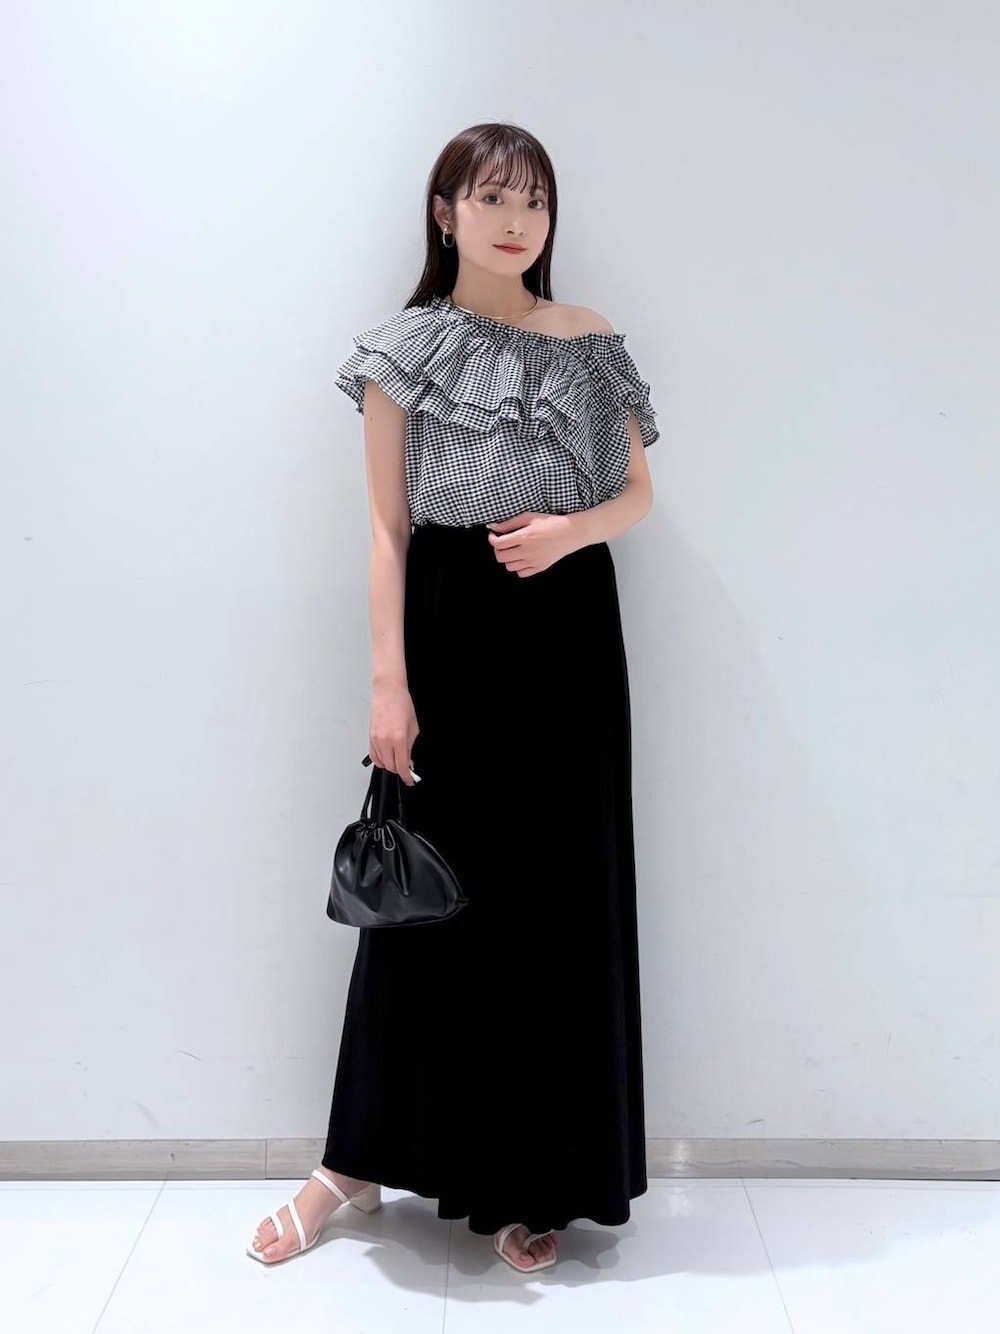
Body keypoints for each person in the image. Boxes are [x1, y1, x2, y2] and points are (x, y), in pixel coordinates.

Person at [247, 120, 659, 1274]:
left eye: (533, 199)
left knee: (554, 903)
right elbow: (386, 531)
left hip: (567, 633)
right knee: (420, 906)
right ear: (446, 212)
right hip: (445, 627)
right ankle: (352, 1164)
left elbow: (636, 493)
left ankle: (534, 1176)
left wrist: (570, 531)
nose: (515, 220)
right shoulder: (405, 348)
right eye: (490, 197)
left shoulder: (587, 339)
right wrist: (389, 682)